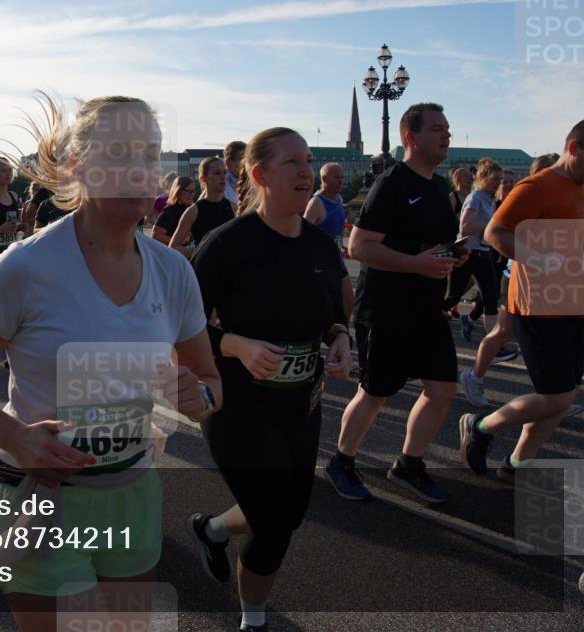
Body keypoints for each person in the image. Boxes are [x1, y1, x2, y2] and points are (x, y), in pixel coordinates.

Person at [0, 94, 221, 632]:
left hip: (132, 493)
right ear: (79, 166)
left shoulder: (174, 271)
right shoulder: (26, 266)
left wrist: (196, 397)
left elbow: (210, 385)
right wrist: (14, 435)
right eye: (120, 152)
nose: (141, 168)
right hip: (41, 498)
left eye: (150, 155)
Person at [188, 127, 352, 632]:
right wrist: (237, 345)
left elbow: (330, 313)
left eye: (308, 161)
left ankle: (212, 529)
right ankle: (254, 620)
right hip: (238, 408)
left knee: (291, 513)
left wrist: (339, 335)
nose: (306, 172)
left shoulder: (321, 246)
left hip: (301, 406)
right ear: (259, 175)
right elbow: (181, 329)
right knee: (275, 525)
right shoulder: (227, 245)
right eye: (293, 163)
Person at [326, 103, 465, 504]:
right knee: (375, 392)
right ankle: (342, 461)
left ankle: (408, 464)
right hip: (386, 308)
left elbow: (431, 245)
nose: (447, 135)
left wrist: (452, 256)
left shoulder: (439, 188)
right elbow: (359, 246)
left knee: (442, 389)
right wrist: (416, 265)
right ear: (411, 137)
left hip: (427, 307)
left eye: (448, 128)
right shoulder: (392, 185)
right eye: (437, 128)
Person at [459, 120, 584, 482]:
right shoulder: (536, 186)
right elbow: (494, 231)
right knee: (556, 397)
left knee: (561, 395)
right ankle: (481, 427)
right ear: (573, 149)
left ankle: (516, 465)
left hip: (574, 301)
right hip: (538, 305)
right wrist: (538, 259)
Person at [444, 159, 503, 342]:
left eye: (500, 179)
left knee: (491, 298)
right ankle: (423, 320)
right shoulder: (475, 197)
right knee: (453, 296)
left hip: (482, 252)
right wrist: (492, 222)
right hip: (468, 252)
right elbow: (466, 227)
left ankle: (494, 344)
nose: (498, 183)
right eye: (495, 179)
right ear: (483, 178)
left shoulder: (489, 198)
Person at [304, 162, 354, 320]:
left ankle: (342, 333)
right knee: (322, 306)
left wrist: (343, 246)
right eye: (336, 177)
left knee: (348, 299)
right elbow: (303, 234)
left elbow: (337, 231)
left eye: (342, 177)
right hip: (321, 263)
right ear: (324, 179)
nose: (341, 181)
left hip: (336, 258)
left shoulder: (339, 199)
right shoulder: (316, 203)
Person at [168, 157, 233, 258]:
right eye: (217, 173)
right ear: (203, 178)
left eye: (224, 172)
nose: (223, 177)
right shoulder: (193, 211)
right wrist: (202, 251)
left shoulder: (234, 208)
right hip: (204, 270)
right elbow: (173, 247)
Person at [152, 176, 195, 245]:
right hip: (170, 254)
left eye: (192, 191)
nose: (191, 194)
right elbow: (156, 236)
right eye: (187, 191)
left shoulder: (191, 209)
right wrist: (178, 240)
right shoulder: (170, 210)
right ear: (178, 191)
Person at [223, 141, 246, 210]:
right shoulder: (216, 186)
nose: (247, 163)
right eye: (242, 159)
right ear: (229, 163)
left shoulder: (255, 183)